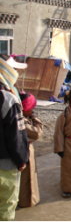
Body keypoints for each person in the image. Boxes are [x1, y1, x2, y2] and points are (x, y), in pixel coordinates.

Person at [0, 55, 29, 221]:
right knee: (5, 207)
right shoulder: (7, 99)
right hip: (5, 164)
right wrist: (21, 160)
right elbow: (15, 136)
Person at [18, 92, 42, 208]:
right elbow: (37, 133)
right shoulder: (21, 121)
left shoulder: (23, 117)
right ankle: (25, 201)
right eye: (31, 108)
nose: (33, 110)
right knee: (25, 178)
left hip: (25, 149)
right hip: (23, 150)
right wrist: (35, 118)